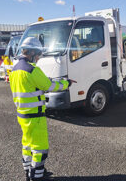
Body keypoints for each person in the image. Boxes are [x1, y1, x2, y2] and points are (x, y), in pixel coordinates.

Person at [9, 37, 75, 181]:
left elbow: (35, 85)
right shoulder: (32, 70)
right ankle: (37, 176)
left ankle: (28, 172)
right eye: (38, 54)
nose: (39, 58)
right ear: (32, 52)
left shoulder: (15, 70)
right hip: (35, 116)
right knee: (40, 147)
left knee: (27, 144)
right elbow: (49, 86)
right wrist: (66, 83)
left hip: (22, 115)